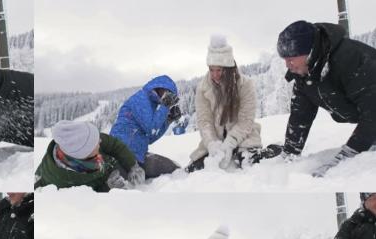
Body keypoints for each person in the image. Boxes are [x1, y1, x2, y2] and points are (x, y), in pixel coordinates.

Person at [274, 21, 376, 177]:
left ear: (310, 51)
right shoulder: (304, 74)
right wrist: (290, 153)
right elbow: (300, 116)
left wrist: (347, 157)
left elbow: (373, 113)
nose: (288, 65)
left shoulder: (352, 59)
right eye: (285, 60)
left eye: (291, 58)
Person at [186, 35, 271, 172]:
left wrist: (230, 142)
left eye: (219, 70)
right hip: (216, 139)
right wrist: (211, 144)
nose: (215, 75)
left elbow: (246, 121)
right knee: (195, 169)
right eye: (211, 69)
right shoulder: (203, 88)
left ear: (228, 68)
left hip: (244, 136)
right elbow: (204, 121)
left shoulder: (246, 85)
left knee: (249, 165)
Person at [35, 120, 144, 192]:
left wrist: (132, 165)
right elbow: (88, 200)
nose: (100, 141)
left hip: (112, 166)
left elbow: (115, 145)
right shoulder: (63, 182)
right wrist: (108, 187)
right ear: (83, 153)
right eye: (96, 142)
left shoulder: (87, 140)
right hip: (108, 181)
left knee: (152, 164)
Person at [110, 75, 182, 178]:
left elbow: (150, 137)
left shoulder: (152, 105)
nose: (169, 98)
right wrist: (165, 106)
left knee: (175, 169)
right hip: (121, 155)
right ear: (160, 88)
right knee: (125, 186)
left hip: (137, 156)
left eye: (171, 97)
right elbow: (151, 128)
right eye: (169, 94)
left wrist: (168, 120)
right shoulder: (141, 99)